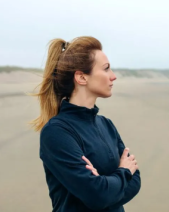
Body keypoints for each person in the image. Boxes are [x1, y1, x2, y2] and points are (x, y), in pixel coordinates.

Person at [30, 36, 141, 212]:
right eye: (106, 69)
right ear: (82, 77)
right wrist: (123, 173)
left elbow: (135, 182)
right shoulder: (57, 132)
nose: (113, 77)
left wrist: (105, 185)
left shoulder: (106, 124)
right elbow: (97, 195)